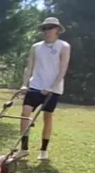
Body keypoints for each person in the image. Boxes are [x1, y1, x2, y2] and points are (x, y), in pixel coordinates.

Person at [19, 17, 71, 161]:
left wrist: (52, 87)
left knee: (47, 117)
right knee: (25, 114)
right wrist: (24, 84)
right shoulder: (36, 47)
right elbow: (29, 67)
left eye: (50, 28)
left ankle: (43, 149)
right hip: (35, 86)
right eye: (45, 28)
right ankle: (23, 149)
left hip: (53, 88)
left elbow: (63, 69)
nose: (47, 31)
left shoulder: (64, 46)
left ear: (57, 30)